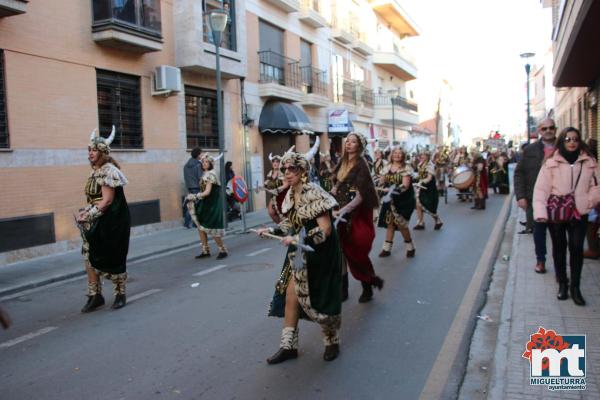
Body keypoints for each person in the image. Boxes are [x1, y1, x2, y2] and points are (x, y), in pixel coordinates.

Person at [255, 149, 342, 364]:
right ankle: (288, 346)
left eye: (291, 169)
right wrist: (272, 231)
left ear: (303, 171)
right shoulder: (291, 195)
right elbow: (291, 223)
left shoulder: (314, 192)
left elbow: (326, 230)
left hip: (320, 254)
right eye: (285, 169)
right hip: (298, 255)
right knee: (291, 295)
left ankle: (331, 340)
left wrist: (299, 239)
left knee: (318, 300)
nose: (286, 173)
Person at [533, 127, 600, 306]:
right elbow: (541, 190)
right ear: (562, 141)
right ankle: (563, 283)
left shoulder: (589, 162)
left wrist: (588, 201)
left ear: (579, 141)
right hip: (558, 212)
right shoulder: (551, 163)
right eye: (568, 139)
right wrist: (540, 213)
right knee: (559, 249)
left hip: (579, 212)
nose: (571, 142)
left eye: (575, 139)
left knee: (577, 248)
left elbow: (597, 185)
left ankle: (575, 288)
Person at [76, 127, 131, 312]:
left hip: (111, 222)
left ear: (102, 153)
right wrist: (86, 211)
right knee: (88, 256)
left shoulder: (108, 171)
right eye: (89, 150)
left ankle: (120, 293)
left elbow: (107, 201)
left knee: (113, 256)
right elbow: (96, 199)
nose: (90, 153)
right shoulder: (95, 171)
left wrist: (89, 215)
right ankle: (95, 295)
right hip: (95, 221)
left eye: (93, 150)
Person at [331, 133, 383, 303]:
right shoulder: (342, 162)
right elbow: (336, 186)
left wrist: (344, 210)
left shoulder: (362, 165)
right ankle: (342, 290)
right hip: (339, 213)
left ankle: (368, 285)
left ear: (359, 146)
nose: (349, 144)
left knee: (356, 251)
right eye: (348, 141)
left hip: (356, 215)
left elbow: (360, 196)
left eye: (353, 142)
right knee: (340, 253)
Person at [514, 119, 557, 274]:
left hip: (558, 199)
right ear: (539, 130)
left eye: (551, 127)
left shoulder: (563, 147)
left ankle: (560, 266)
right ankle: (541, 260)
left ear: (555, 129)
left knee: (558, 235)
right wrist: (520, 196)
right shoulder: (531, 149)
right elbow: (519, 173)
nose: (548, 130)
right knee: (539, 232)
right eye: (544, 128)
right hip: (536, 198)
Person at [186, 153, 228, 259]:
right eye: (203, 162)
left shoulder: (211, 174)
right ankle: (205, 250)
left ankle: (222, 250)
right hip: (205, 204)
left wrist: (194, 196)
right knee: (201, 227)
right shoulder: (206, 173)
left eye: (206, 162)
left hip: (212, 205)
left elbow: (207, 192)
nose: (204, 164)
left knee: (212, 229)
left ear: (210, 163)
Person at [376, 147, 417, 255]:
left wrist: (392, 189)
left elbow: (405, 185)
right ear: (392, 154)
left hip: (402, 200)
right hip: (389, 200)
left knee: (401, 225)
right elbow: (382, 180)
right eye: (395, 153)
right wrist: (378, 184)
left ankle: (410, 247)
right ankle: (386, 249)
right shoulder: (387, 166)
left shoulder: (406, 167)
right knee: (390, 223)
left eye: (400, 153)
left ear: (403, 155)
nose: (397, 155)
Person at [414, 151, 443, 229]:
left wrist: (421, 182)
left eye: (424, 155)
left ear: (428, 156)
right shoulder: (420, 164)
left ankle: (438, 220)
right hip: (421, 187)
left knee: (428, 206)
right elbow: (420, 175)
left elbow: (429, 178)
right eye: (422, 155)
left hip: (429, 188)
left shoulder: (430, 165)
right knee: (418, 205)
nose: (422, 156)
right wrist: (415, 179)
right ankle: (420, 222)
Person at [264, 152, 290, 223]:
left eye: (277, 161)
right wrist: (264, 186)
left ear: (280, 163)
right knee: (271, 212)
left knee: (284, 214)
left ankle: (286, 228)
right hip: (274, 196)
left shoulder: (283, 172)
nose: (275, 163)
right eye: (273, 161)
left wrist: (277, 190)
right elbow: (268, 183)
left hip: (283, 195)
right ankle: (280, 226)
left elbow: (286, 185)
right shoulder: (270, 173)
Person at [183, 147, 202, 228]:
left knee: (191, 205)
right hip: (197, 187)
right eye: (200, 153)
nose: (201, 155)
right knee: (197, 206)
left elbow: (185, 177)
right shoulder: (198, 165)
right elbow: (200, 177)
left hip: (190, 187)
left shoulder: (186, 165)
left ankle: (187, 223)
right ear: (198, 155)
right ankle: (195, 224)